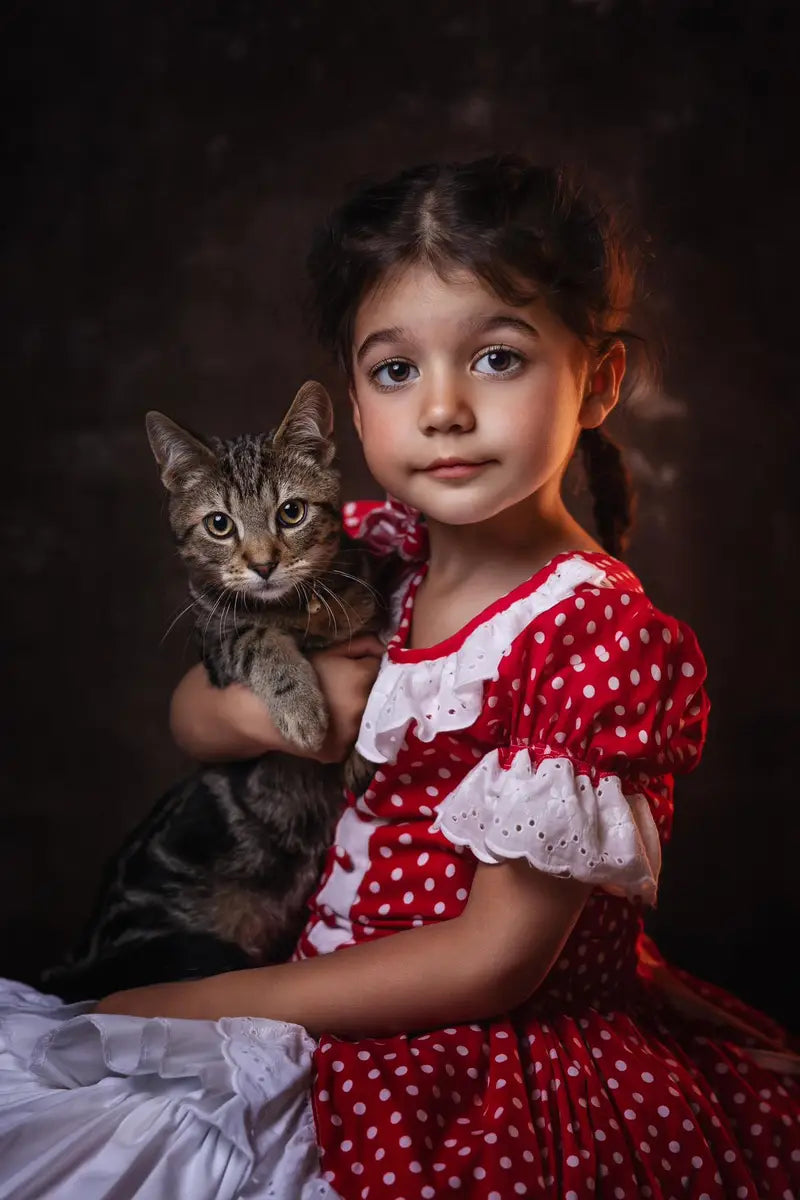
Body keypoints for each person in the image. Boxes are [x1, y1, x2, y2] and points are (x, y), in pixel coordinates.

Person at [1, 156, 797, 1200]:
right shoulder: (370, 551)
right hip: (310, 1002)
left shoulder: (594, 637)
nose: (443, 409)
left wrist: (190, 1007)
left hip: (454, 1058)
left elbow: (490, 962)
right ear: (350, 404)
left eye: (497, 358)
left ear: (598, 383)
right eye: (394, 371)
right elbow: (191, 715)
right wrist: (285, 717)